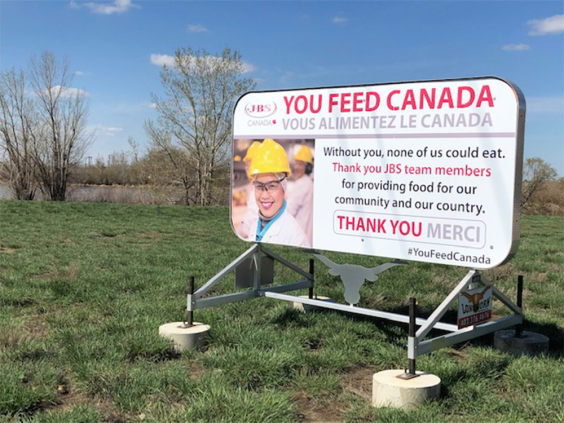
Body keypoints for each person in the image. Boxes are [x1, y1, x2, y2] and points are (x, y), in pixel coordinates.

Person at [246, 139, 310, 248]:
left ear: (284, 188)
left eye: (272, 186)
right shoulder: (254, 226)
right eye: (259, 186)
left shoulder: (295, 239)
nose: (264, 195)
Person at [286, 144, 314, 243]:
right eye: (296, 163)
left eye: (300, 164)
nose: (296, 167)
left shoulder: (303, 184)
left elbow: (288, 210)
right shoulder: (308, 182)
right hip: (305, 236)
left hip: (299, 236)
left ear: (308, 168)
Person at [236, 141, 261, 238]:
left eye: (249, 166)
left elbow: (251, 222)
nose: (248, 171)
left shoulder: (258, 191)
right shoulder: (254, 188)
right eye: (247, 167)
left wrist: (237, 233)